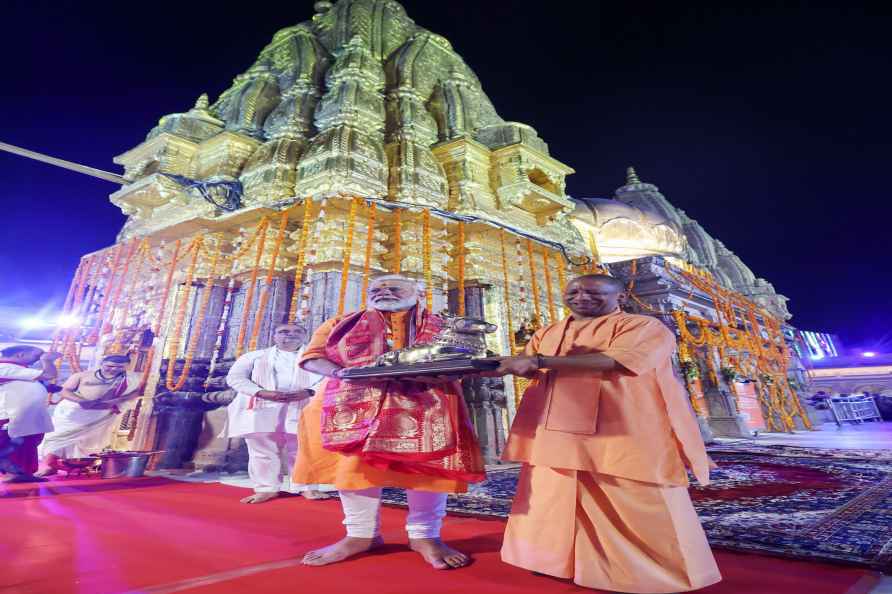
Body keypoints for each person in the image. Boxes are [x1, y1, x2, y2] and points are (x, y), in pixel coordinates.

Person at [489, 274, 721, 593]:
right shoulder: (549, 332)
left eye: (593, 292)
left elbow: (617, 361)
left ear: (619, 297)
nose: (581, 297)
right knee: (552, 495)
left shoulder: (644, 327)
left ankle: (652, 573)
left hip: (623, 429)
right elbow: (528, 366)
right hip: (555, 429)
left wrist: (539, 360)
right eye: (574, 291)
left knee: (638, 497)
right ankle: (553, 561)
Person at [295, 274, 485, 569]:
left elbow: (467, 357)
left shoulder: (443, 326)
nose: (384, 292)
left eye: (394, 288)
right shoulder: (341, 324)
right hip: (352, 406)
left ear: (419, 292)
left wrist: (446, 373)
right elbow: (312, 357)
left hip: (428, 401)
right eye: (377, 289)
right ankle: (360, 534)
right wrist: (340, 373)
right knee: (355, 469)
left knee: (429, 467)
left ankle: (425, 536)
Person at [225, 322, 334, 504]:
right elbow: (235, 378)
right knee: (262, 449)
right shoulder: (254, 356)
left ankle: (306, 487)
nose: (290, 335)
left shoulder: (317, 358)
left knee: (303, 448)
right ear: (274, 336)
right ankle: (266, 489)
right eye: (283, 331)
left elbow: (330, 377)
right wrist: (261, 392)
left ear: (305, 336)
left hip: (304, 403)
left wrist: (308, 391)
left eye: (297, 331)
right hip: (262, 405)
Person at [37, 354, 142, 476]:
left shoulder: (131, 379)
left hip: (101, 415)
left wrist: (115, 401)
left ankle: (77, 466)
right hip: (74, 412)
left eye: (119, 367)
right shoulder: (82, 376)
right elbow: (64, 391)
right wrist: (82, 401)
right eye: (110, 366)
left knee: (86, 442)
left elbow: (135, 393)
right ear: (102, 363)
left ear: (126, 366)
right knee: (57, 438)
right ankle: (49, 466)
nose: (114, 369)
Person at [0, 345, 60, 482]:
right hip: (13, 415)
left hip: (26, 416)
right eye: (36, 356)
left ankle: (24, 475)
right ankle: (15, 475)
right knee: (14, 445)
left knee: (27, 445)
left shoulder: (17, 370)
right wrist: (48, 360)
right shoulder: (5, 367)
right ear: (20, 355)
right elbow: (49, 375)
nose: (37, 359)